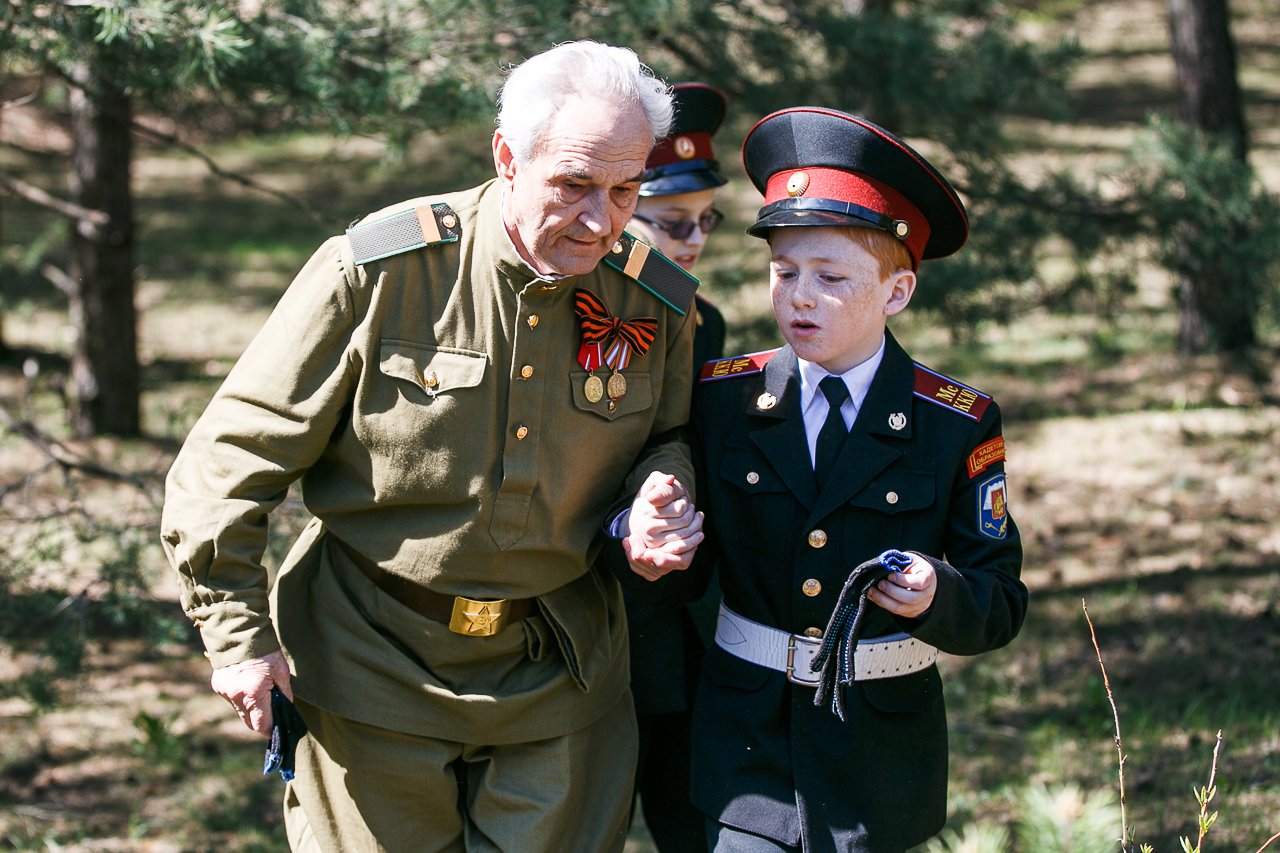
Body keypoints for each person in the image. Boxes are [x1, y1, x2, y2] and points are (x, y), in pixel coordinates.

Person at [160, 41, 706, 853]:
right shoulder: (380, 272)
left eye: (627, 189)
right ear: (505, 157)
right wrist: (238, 639)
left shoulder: (652, 299)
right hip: (368, 665)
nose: (602, 219)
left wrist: (659, 499)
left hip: (560, 673)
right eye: (574, 184)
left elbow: (666, 436)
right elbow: (229, 460)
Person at [675, 107, 1029, 853]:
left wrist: (939, 593)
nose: (800, 296)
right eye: (784, 272)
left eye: (831, 277)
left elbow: (998, 601)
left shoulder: (953, 422)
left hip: (880, 757)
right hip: (749, 749)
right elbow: (679, 570)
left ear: (896, 292)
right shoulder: (721, 398)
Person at [623, 82, 730, 853]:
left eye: (705, 221)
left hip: (675, 614)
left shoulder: (702, 318)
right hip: (582, 611)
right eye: (672, 224)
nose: (693, 242)